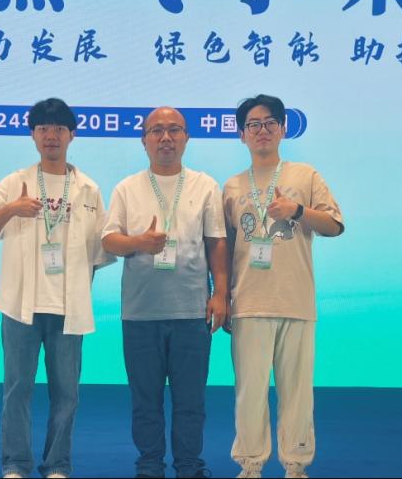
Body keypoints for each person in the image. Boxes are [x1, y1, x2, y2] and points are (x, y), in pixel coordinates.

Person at [0, 98, 114, 479]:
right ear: (33, 135)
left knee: (67, 394)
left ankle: (57, 465)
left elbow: (98, 253)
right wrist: (11, 209)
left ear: (72, 135)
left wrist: (78, 294)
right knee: (17, 390)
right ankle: (15, 464)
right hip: (20, 305)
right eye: (43, 129)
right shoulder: (14, 183)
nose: (51, 135)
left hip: (68, 309)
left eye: (58, 129)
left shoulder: (88, 189)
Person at [102, 106, 229, 479]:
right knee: (145, 401)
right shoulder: (127, 188)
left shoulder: (205, 185)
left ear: (187, 138)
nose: (166, 137)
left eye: (175, 129)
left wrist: (220, 294)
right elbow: (109, 240)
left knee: (191, 400)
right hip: (140, 313)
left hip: (192, 311)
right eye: (156, 130)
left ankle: (189, 466)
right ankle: (149, 466)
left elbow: (217, 242)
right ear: (144, 140)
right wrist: (139, 242)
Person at [223, 95, 345, 479]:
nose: (262, 130)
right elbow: (225, 248)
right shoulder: (232, 186)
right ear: (242, 134)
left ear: (282, 129)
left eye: (269, 123)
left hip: (295, 300)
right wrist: (222, 297)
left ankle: (296, 464)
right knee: (250, 392)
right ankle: (250, 464)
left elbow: (334, 225)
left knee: (297, 392)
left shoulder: (305, 176)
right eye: (253, 124)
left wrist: (297, 211)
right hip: (248, 302)